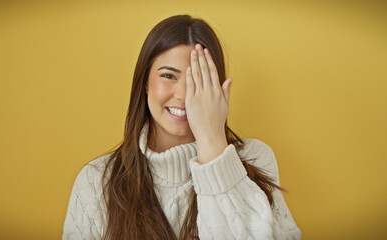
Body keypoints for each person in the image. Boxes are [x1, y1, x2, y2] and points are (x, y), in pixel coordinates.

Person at [62, 14, 302, 240]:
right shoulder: (96, 181)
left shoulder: (255, 158)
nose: (184, 95)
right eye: (168, 76)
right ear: (145, 82)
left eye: (198, 80)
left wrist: (211, 141)